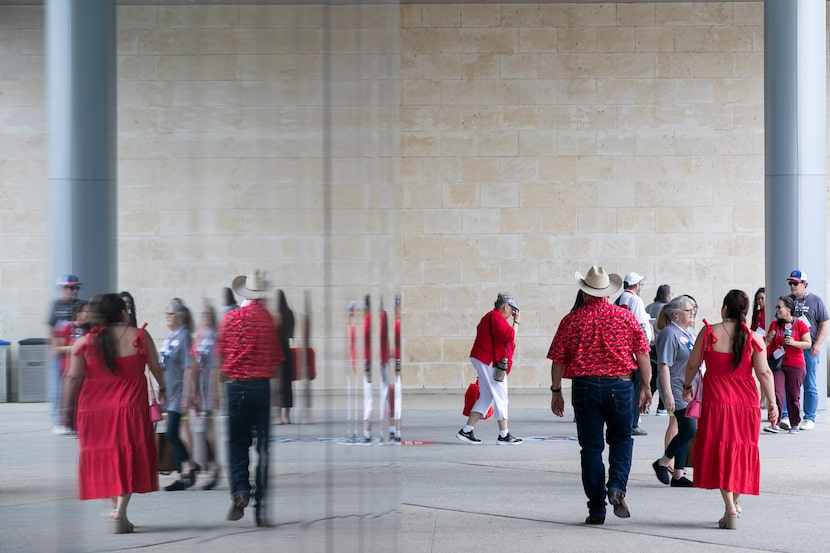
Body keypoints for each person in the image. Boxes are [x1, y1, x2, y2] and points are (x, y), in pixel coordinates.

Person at [548, 266, 652, 525]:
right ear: (607, 292)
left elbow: (558, 360)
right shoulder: (625, 318)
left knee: (591, 449)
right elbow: (642, 355)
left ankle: (596, 508)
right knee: (622, 440)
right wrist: (647, 387)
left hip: (584, 388)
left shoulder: (571, 320)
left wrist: (556, 391)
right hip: (620, 387)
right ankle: (616, 487)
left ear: (584, 293)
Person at [62, 293, 166, 534]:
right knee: (128, 456)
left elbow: (73, 377)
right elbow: (156, 366)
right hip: (131, 408)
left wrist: (67, 408)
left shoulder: (85, 342)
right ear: (123, 313)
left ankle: (117, 509)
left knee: (105, 458)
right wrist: (165, 389)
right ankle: (121, 510)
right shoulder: (139, 336)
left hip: (93, 411)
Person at [682, 290, 777, 530]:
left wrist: (686, 386)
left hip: (716, 403)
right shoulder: (753, 338)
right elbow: (764, 373)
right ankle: (735, 502)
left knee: (720, 450)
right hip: (746, 405)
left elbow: (693, 363)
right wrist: (773, 404)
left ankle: (730, 507)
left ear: (724, 309)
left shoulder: (709, 332)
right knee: (739, 450)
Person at [215, 270, 283, 526]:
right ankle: (261, 504)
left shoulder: (230, 318)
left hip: (237, 388)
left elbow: (221, 356)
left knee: (236, 443)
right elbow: (276, 360)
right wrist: (274, 395)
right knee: (263, 449)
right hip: (262, 388)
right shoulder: (269, 321)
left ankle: (241, 490)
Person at [456, 293, 522, 445]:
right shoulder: (495, 317)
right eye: (512, 310)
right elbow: (510, 336)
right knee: (500, 395)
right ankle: (504, 434)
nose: (512, 314)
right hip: (489, 360)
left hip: (485, 359)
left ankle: (466, 430)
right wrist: (516, 322)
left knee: (487, 397)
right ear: (505, 306)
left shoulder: (492, 317)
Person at [651, 295, 698, 487]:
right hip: (676, 387)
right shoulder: (669, 333)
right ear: (676, 314)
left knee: (686, 429)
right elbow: (663, 365)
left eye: (693, 309)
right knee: (688, 429)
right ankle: (662, 463)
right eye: (689, 310)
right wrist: (667, 395)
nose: (692, 312)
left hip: (689, 388)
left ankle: (678, 474)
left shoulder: (688, 332)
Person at [159, 297, 199, 491]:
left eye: (170, 313)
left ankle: (190, 464)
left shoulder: (185, 336)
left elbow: (189, 366)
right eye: (166, 313)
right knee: (171, 434)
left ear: (179, 316)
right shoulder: (170, 336)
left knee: (172, 433)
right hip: (168, 391)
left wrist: (187, 395)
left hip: (178, 392)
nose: (167, 317)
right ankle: (182, 475)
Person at [786, 270, 828, 430]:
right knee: (789, 383)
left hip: (808, 348)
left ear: (804, 284)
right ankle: (788, 416)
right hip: (790, 348)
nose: (792, 286)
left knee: (809, 382)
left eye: (795, 283)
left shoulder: (816, 300)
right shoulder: (787, 300)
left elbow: (824, 323)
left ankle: (809, 417)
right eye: (790, 283)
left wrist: (818, 344)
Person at [763, 296, 811, 434]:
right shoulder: (774, 325)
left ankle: (794, 423)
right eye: (776, 307)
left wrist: (794, 343)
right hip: (778, 364)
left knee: (793, 395)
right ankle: (774, 423)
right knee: (776, 392)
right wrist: (769, 339)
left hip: (795, 365)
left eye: (779, 307)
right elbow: (768, 346)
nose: (776, 310)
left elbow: (808, 343)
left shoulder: (799, 324)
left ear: (789, 309)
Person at [616, 271, 654, 436]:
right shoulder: (635, 300)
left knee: (627, 388)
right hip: (634, 350)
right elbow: (641, 326)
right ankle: (633, 423)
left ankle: (626, 421)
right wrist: (646, 345)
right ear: (636, 285)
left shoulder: (619, 299)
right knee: (638, 387)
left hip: (622, 350)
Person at [189, 301, 221, 489]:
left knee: (209, 427)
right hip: (200, 386)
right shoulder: (199, 337)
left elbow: (216, 365)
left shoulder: (214, 337)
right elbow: (193, 363)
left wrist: (214, 391)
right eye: (204, 315)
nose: (206, 318)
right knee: (202, 428)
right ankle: (209, 463)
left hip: (209, 386)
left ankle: (214, 466)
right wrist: (193, 389)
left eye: (209, 314)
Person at [48, 274, 85, 434]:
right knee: (60, 388)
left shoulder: (81, 305)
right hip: (62, 354)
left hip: (76, 353)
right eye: (70, 287)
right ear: (63, 288)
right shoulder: (56, 305)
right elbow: (51, 326)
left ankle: (74, 420)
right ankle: (60, 421)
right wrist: (53, 347)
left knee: (77, 388)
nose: (74, 291)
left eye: (76, 287)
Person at [646, 284, 672, 415]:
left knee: (655, 375)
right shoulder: (666, 309)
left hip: (651, 346)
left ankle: (647, 402)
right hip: (661, 345)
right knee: (662, 376)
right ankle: (661, 406)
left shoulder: (649, 307)